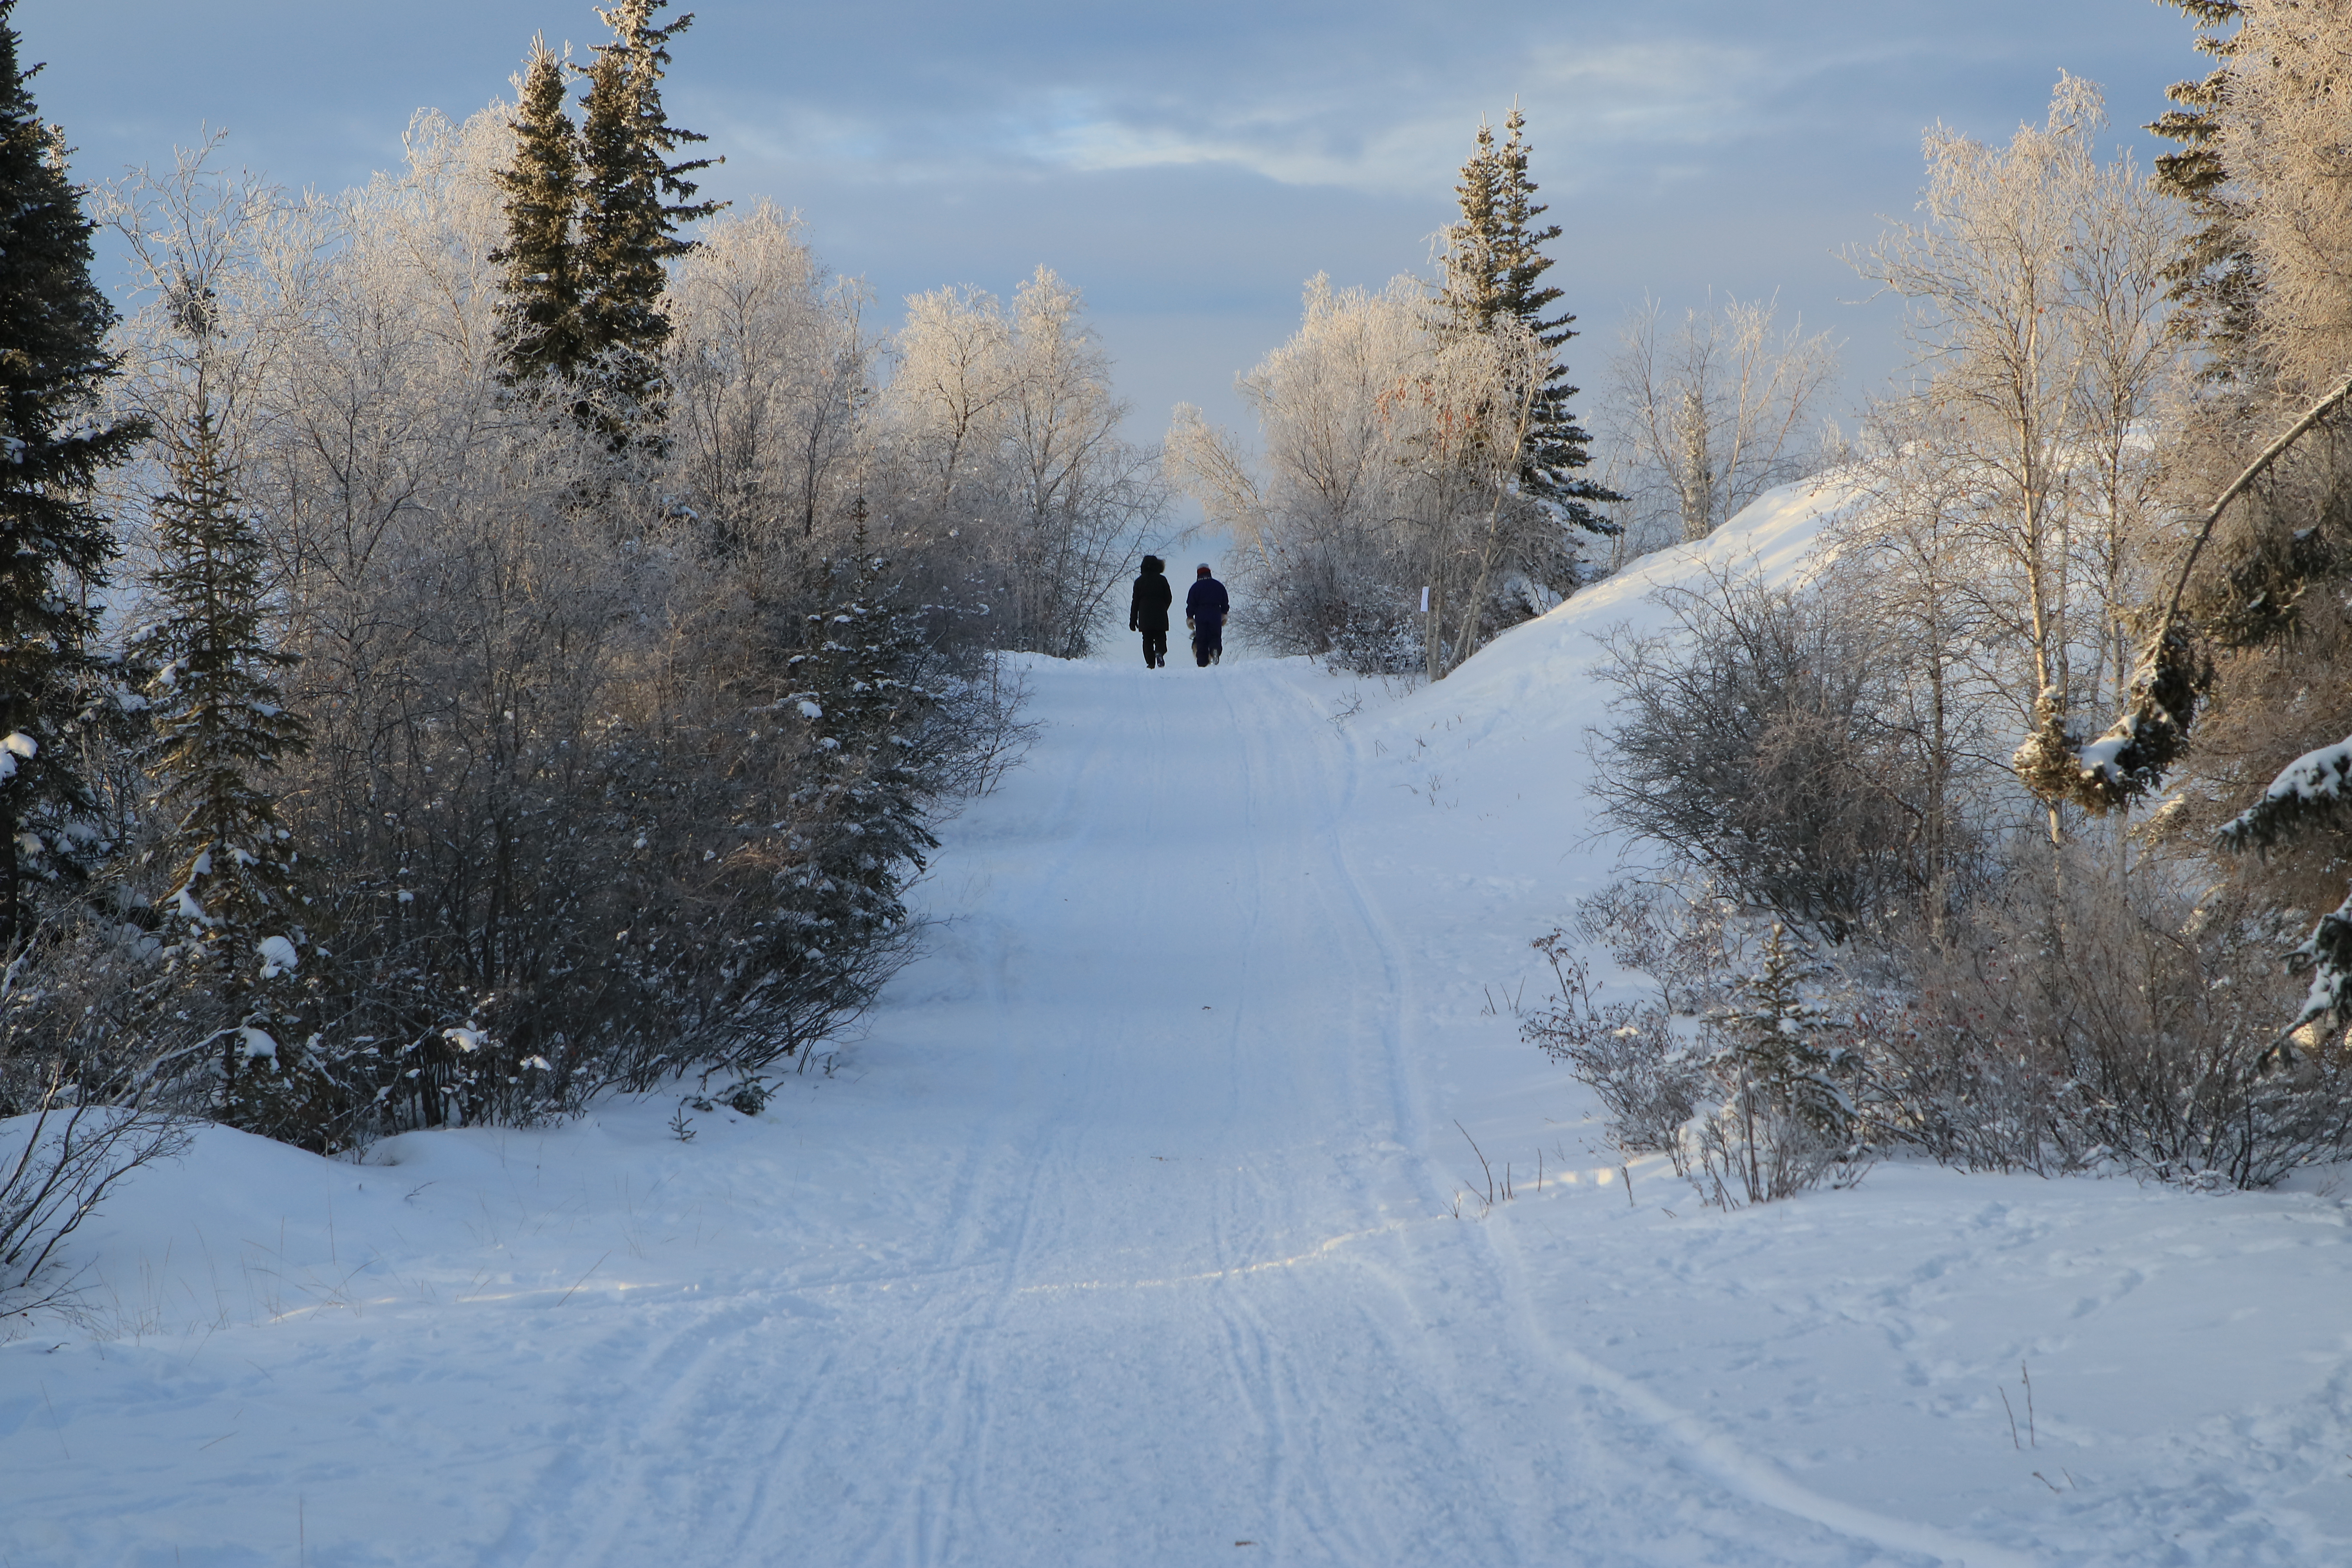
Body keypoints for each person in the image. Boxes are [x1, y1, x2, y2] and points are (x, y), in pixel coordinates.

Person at [1129, 555, 1172, 668]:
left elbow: (1135, 602)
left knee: (1147, 640)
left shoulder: (1139, 582)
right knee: (1160, 637)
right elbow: (1169, 598)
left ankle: (1151, 663)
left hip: (1145, 617)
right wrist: (1164, 608)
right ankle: (1160, 652)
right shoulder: (1162, 580)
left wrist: (1133, 621)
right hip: (1160, 616)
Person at [1185, 563, 1229, 667]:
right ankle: (1215, 650)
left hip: (1201, 615)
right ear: (1209, 573)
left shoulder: (1195, 588)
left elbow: (1191, 604)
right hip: (1215, 613)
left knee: (1202, 639)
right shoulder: (1218, 586)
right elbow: (1225, 601)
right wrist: (1224, 613)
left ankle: (1202, 662)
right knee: (1215, 636)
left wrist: (1190, 617)